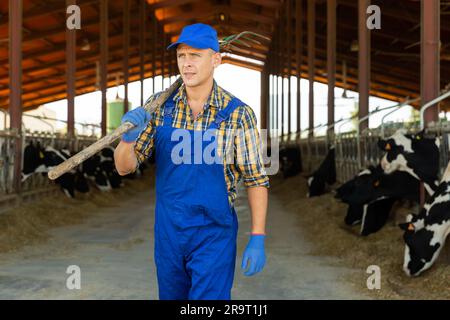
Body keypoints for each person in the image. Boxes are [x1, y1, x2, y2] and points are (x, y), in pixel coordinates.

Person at [114, 23, 269, 300]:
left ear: (216, 59)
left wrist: (258, 236)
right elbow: (124, 168)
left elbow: (256, 179)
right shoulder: (159, 108)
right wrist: (127, 139)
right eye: (181, 56)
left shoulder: (238, 114)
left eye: (195, 55)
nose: (186, 64)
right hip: (169, 233)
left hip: (214, 235)